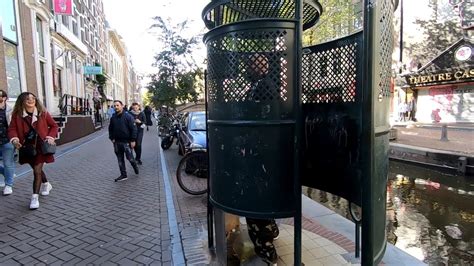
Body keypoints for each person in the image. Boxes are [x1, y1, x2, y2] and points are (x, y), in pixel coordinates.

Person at [243, 53, 280, 264]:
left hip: (260, 155)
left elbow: (263, 118)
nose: (248, 67)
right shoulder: (261, 85)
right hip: (259, 154)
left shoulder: (264, 86)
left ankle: (266, 249)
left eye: (251, 63)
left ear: (261, 65)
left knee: (256, 202)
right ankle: (268, 234)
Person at [8, 92, 58, 209]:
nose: (31, 100)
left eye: (33, 98)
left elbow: (54, 126)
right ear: (22, 101)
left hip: (41, 146)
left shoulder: (43, 113)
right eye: (27, 98)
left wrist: (50, 136)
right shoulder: (17, 115)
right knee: (37, 169)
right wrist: (15, 140)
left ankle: (34, 198)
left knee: (36, 170)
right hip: (26, 147)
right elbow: (12, 129)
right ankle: (46, 184)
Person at [108, 100, 139, 182]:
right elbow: (110, 129)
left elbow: (134, 129)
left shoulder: (128, 117)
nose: (116, 107)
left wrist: (133, 140)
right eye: (114, 106)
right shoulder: (113, 118)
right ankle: (123, 175)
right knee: (120, 159)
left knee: (130, 158)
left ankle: (134, 165)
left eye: (117, 105)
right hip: (117, 142)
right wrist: (112, 138)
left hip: (127, 142)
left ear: (122, 106)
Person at [0, 90, 15, 196]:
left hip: (7, 140)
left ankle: (8, 185)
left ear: (4, 98)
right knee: (7, 167)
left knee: (7, 163)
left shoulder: (11, 110)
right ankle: (7, 173)